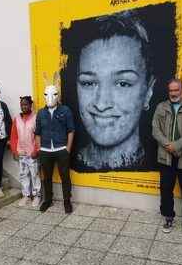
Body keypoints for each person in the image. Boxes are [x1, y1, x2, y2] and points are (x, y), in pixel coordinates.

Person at [61, 11, 159, 170]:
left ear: (148, 91)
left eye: (122, 83)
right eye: (88, 83)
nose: (101, 103)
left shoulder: (156, 163)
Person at [151, 79, 182, 234]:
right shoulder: (161, 107)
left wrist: (177, 145)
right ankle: (168, 216)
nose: (173, 93)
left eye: (176, 90)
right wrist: (168, 145)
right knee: (166, 189)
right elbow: (155, 129)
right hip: (165, 156)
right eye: (171, 91)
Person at [35, 83, 76, 213]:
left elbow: (71, 130)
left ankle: (67, 201)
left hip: (61, 149)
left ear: (58, 96)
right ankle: (48, 200)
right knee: (46, 177)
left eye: (53, 94)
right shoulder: (41, 113)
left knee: (65, 177)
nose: (50, 98)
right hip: (45, 150)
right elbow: (37, 133)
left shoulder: (65, 110)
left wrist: (68, 148)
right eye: (47, 95)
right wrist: (39, 148)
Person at [10, 96, 41, 207]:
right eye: (22, 104)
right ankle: (26, 196)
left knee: (34, 174)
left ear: (30, 105)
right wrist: (14, 150)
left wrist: (37, 150)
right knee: (23, 174)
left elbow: (39, 136)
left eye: (26, 104)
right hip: (21, 152)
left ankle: (37, 195)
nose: (24, 106)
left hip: (32, 153)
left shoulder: (36, 118)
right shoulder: (17, 119)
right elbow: (13, 136)